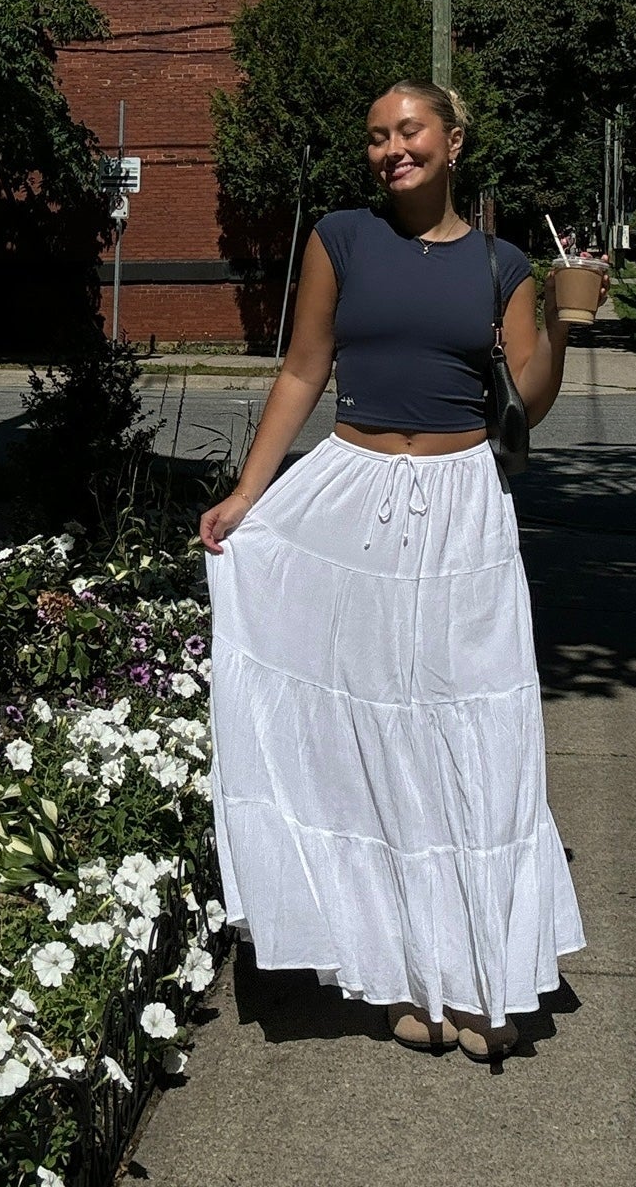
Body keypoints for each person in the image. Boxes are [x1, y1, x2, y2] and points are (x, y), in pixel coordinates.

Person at [198, 80, 598, 1063]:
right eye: (376, 135)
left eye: (408, 130)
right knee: (367, 739)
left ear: (452, 141)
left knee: (471, 735)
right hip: (351, 494)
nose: (390, 148)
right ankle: (406, 975)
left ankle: (479, 981)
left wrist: (564, 320)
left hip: (464, 504)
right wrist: (251, 493)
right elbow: (302, 370)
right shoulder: (341, 239)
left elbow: (527, 403)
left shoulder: (503, 264)